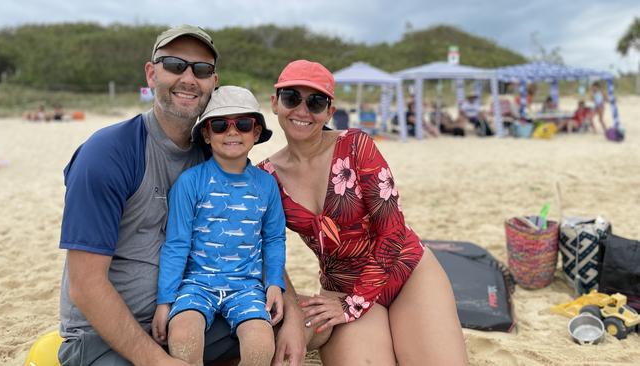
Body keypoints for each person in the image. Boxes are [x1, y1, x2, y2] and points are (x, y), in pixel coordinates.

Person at [56, 25, 305, 366]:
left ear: (213, 82)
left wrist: (291, 316)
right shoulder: (108, 154)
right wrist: (159, 362)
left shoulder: (216, 156)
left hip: (201, 308)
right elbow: (84, 286)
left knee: (310, 323)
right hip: (107, 337)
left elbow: (259, 235)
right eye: (174, 65)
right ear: (151, 73)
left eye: (200, 70)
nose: (188, 78)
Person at [258, 59, 468, 365]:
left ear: (330, 112)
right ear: (275, 104)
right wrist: (292, 307)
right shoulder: (266, 178)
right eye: (292, 98)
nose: (302, 110)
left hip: (407, 275)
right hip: (341, 290)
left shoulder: (356, 146)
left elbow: (393, 230)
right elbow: (267, 247)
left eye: (316, 102)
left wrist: (353, 305)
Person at [152, 86, 286, 366]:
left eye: (244, 124)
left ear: (257, 132)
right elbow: (176, 243)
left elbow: (274, 238)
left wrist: (274, 283)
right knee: (183, 335)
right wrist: (165, 301)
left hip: (247, 288)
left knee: (261, 344)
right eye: (221, 125)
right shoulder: (190, 182)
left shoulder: (266, 184)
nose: (233, 132)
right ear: (206, 134)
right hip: (196, 284)